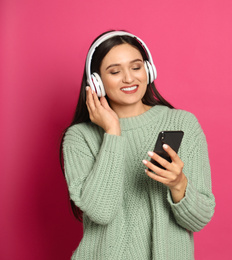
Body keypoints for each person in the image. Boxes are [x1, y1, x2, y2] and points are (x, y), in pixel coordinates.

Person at [59, 30, 215, 259]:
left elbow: (199, 219)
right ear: (96, 81)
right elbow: (101, 211)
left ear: (148, 70)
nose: (129, 78)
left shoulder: (183, 124)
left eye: (136, 67)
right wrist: (112, 132)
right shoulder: (80, 137)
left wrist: (178, 184)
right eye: (115, 71)